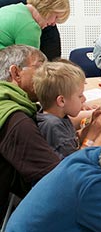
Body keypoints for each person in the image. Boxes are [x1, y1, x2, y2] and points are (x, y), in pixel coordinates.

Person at [0, 45, 59, 221]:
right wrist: (93, 139)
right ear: (16, 73)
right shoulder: (15, 121)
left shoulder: (8, 103)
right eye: (40, 67)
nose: (47, 75)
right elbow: (60, 179)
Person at [33, 61, 101, 158]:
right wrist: (92, 135)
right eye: (80, 96)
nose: (84, 99)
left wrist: (91, 125)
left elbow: (74, 141)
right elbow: (75, 163)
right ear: (61, 101)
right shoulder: (53, 126)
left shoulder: (59, 116)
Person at [0, 0, 70, 54]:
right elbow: (30, 63)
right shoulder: (30, 27)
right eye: (56, 17)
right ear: (49, 8)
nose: (53, 23)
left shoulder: (10, 8)